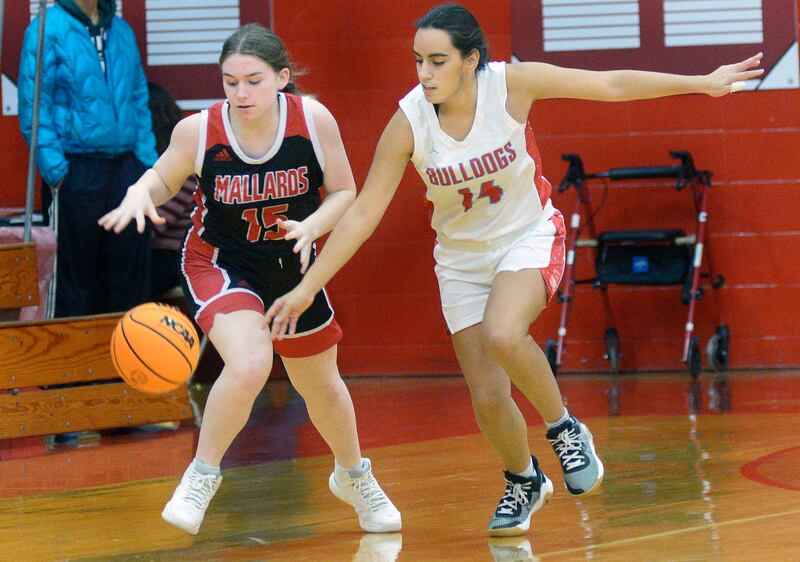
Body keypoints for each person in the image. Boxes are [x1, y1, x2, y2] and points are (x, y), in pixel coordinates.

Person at [265, 3, 763, 536]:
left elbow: (612, 85)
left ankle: (565, 429)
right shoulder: (409, 121)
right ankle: (523, 479)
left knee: (505, 332)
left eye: (438, 61)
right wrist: (305, 288)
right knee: (487, 394)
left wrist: (701, 82)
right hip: (459, 259)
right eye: (418, 62)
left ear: (471, 59)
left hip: (528, 236)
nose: (425, 74)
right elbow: (363, 212)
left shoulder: (510, 85)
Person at [98, 23, 401, 536]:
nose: (240, 93)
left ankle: (354, 476)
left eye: (253, 81)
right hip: (219, 262)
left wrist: (312, 225)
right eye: (230, 81)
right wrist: (137, 192)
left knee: (321, 384)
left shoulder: (312, 119)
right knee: (251, 362)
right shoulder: (200, 130)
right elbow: (164, 175)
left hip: (289, 265)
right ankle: (201, 476)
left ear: (282, 78)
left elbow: (344, 193)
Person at [18, 0, 157, 317]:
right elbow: (34, 107)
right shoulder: (45, 28)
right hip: (74, 169)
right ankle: (77, 364)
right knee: (74, 279)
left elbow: (138, 97)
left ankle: (130, 361)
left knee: (129, 275)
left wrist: (146, 165)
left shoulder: (121, 30)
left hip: (127, 170)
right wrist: (56, 171)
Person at [146, 81, 198, 298]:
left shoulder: (179, 168)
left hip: (174, 257)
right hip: (167, 256)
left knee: (123, 276)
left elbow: (156, 225)